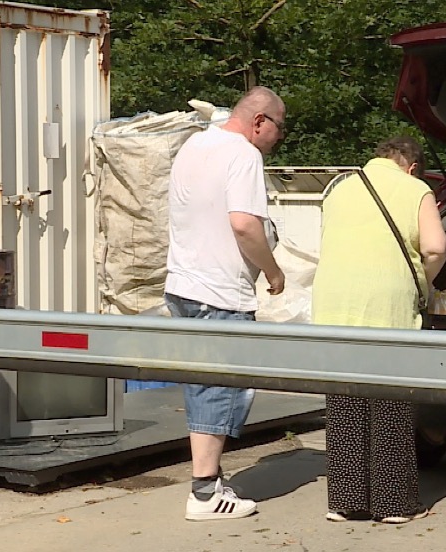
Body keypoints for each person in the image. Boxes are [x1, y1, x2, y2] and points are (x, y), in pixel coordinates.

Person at [163, 86, 287, 521]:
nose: (278, 137)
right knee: (222, 388)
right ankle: (203, 494)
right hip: (219, 292)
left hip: (182, 284)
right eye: (279, 127)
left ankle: (208, 480)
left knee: (200, 384)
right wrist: (272, 271)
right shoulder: (244, 154)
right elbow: (244, 224)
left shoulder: (195, 144)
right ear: (259, 121)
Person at [312, 136, 446, 524]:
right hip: (385, 305)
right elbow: (436, 246)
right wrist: (424, 283)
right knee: (389, 400)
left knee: (345, 401)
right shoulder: (415, 188)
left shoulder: (338, 186)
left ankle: (346, 501)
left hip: (333, 303)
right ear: (412, 166)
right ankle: (393, 505)